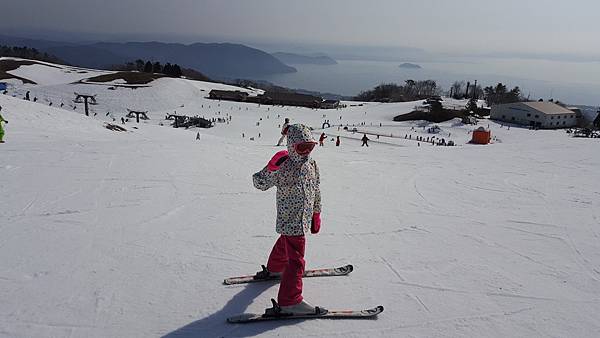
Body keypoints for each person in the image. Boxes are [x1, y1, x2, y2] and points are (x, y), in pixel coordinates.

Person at [253, 124, 323, 315]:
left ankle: (275, 269)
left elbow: (315, 190)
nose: (307, 151)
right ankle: (290, 301)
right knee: (296, 262)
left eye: (311, 146)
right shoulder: (283, 166)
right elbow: (259, 183)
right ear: (292, 146)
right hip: (289, 219)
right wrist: (271, 168)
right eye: (302, 147)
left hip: (302, 219)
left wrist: (316, 213)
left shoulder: (312, 165)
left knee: (285, 243)